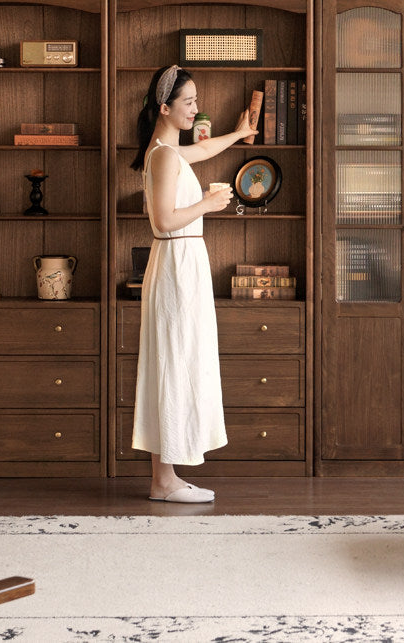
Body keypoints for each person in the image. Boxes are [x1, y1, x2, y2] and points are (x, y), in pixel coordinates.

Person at [130, 65, 257, 503]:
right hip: (177, 262)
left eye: (196, 101)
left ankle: (166, 477)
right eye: (189, 102)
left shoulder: (167, 150)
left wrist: (238, 134)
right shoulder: (164, 155)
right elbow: (162, 220)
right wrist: (208, 203)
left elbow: (202, 153)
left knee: (177, 361)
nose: (196, 109)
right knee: (174, 362)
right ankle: (164, 481)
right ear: (164, 107)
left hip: (183, 263)